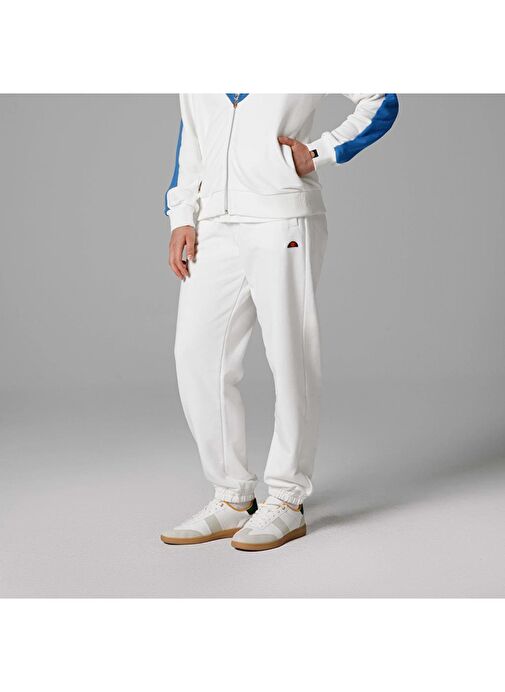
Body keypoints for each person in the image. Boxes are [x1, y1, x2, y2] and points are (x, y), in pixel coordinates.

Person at [160, 93, 398, 551]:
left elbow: (381, 99)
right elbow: (191, 138)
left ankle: (287, 498)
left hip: (282, 215)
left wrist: (320, 152)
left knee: (290, 354)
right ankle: (232, 496)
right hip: (214, 223)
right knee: (195, 355)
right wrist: (181, 216)